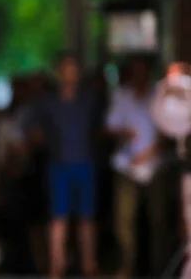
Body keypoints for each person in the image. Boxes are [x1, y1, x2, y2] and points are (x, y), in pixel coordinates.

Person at [26, 52, 100, 278]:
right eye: (65, 69)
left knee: (86, 218)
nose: (69, 74)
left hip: (85, 163)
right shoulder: (47, 103)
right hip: (59, 165)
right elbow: (34, 132)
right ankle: (56, 266)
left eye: (73, 69)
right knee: (58, 218)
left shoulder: (89, 100)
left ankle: (88, 263)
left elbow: (99, 129)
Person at [107, 56, 173, 277]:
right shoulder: (122, 96)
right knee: (124, 221)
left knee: (159, 220)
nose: (139, 76)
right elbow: (109, 127)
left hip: (155, 167)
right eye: (134, 71)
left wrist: (151, 151)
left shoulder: (160, 96)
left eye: (142, 71)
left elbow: (171, 129)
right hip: (126, 166)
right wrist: (124, 133)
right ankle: (126, 267)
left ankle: (160, 267)